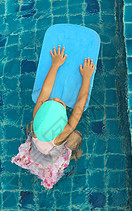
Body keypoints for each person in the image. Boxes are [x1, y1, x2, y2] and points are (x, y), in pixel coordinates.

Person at [11, 45, 95, 190]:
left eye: (52, 101)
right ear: (63, 125)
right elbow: (79, 106)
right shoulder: (62, 134)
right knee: (76, 137)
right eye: (60, 104)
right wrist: (86, 77)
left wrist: (55, 64)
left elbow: (45, 90)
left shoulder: (37, 115)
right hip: (51, 157)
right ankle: (74, 155)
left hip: (35, 151)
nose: (56, 98)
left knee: (32, 125)